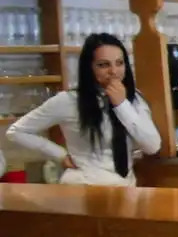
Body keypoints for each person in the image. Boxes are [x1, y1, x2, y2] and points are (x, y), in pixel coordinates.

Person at [7, 33, 161, 185]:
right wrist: (60, 155)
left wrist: (121, 105)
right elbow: (16, 131)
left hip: (126, 187)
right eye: (103, 65)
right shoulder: (69, 100)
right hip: (85, 185)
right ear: (89, 67)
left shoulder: (134, 99)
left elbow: (152, 146)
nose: (114, 71)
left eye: (119, 63)